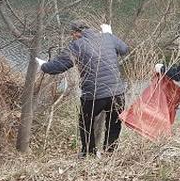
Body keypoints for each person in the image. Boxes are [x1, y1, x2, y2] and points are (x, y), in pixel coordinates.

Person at [37, 21, 130, 157]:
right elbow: (125, 49)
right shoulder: (107, 37)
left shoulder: (77, 45)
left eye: (72, 34)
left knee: (86, 122)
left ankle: (89, 152)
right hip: (117, 93)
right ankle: (110, 153)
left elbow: (56, 67)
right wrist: (110, 34)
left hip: (94, 95)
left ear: (76, 33)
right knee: (114, 123)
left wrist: (43, 65)